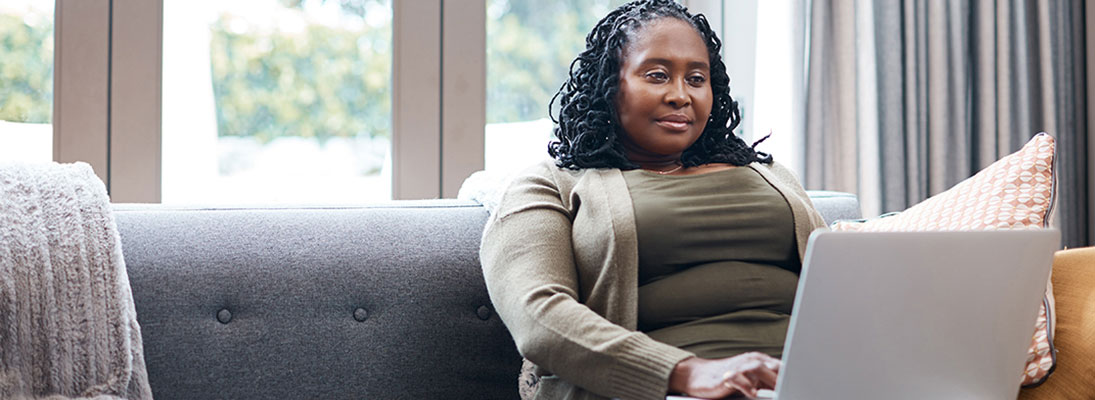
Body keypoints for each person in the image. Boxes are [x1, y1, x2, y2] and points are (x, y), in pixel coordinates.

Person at [479, 1, 827, 399]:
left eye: (697, 79)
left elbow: (839, 279)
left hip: (815, 383)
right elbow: (537, 314)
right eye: (658, 76)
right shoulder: (549, 184)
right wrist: (686, 372)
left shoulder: (770, 174)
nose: (681, 95)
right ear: (609, 85)